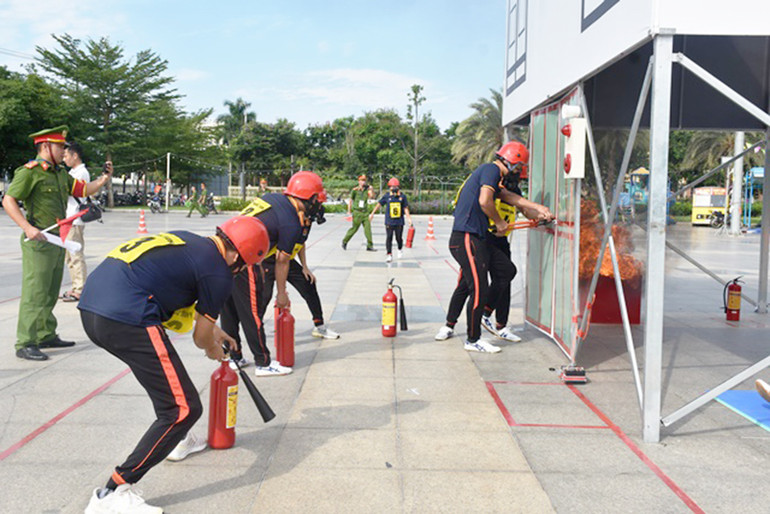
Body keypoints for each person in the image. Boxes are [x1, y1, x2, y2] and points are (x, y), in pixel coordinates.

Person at [79, 216, 269, 513]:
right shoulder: (220, 272)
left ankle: (177, 439)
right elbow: (199, 338)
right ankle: (113, 493)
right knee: (183, 408)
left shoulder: (192, 242)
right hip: (128, 315)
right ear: (239, 257)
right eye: (245, 266)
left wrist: (215, 333)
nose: (243, 271)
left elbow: (183, 298)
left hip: (94, 308)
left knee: (172, 395)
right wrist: (212, 349)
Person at [2, 125, 113, 361]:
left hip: (56, 240)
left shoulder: (60, 174)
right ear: (45, 146)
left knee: (51, 289)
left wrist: (104, 178)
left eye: (64, 146)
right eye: (60, 146)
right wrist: (27, 228)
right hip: (38, 240)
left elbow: (84, 189)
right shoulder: (29, 172)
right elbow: (8, 200)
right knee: (35, 291)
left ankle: (45, 334)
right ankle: (26, 341)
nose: (64, 150)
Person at [446, 140, 553, 353]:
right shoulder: (491, 170)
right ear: (514, 161)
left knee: (506, 270)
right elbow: (486, 201)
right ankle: (472, 339)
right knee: (478, 288)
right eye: (520, 166)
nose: (519, 171)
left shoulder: (496, 179)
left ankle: (485, 314)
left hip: (478, 239)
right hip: (466, 236)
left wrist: (539, 209)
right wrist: (500, 222)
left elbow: (511, 198)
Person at [221, 170, 328, 376]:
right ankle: (263, 362)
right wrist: (281, 293)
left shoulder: (273, 198)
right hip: (245, 255)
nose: (317, 205)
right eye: (317, 200)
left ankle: (234, 357)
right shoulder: (291, 222)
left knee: (230, 308)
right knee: (252, 312)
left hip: (223, 249)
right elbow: (282, 260)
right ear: (310, 198)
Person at [436, 196, 521, 343]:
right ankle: (449, 324)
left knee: (504, 280)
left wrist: (538, 213)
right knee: (466, 285)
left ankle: (499, 325)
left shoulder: (513, 189)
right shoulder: (489, 186)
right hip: (481, 239)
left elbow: (521, 204)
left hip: (500, 241)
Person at [60, 141, 91, 303]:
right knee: (69, 257)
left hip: (75, 219)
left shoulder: (81, 173)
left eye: (66, 156)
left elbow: (69, 192)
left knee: (75, 255)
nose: (64, 159)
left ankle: (80, 289)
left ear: (75, 155)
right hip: (68, 218)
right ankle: (76, 286)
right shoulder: (73, 172)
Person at [369, 177, 413, 263]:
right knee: (389, 237)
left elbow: (405, 208)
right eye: (392, 187)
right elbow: (379, 204)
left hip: (399, 221)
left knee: (398, 238)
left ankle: (400, 249)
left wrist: (409, 219)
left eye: (395, 187)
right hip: (389, 221)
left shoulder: (402, 197)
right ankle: (389, 254)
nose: (393, 188)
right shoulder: (387, 196)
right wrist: (372, 213)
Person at [341, 174, 376, 251]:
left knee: (368, 229)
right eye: (362, 180)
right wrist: (349, 211)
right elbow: (351, 200)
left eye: (364, 180)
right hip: (357, 212)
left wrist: (372, 190)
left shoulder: (367, 189)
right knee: (354, 228)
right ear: (359, 181)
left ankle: (369, 245)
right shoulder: (355, 190)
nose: (363, 182)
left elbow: (372, 196)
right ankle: (345, 241)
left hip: (365, 212)